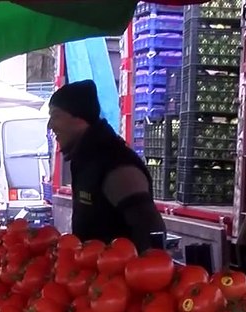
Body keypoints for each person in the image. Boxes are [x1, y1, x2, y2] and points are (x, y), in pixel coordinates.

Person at [48, 79, 166, 251]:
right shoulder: (84, 158)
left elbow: (151, 230)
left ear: (79, 117)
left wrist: (133, 272)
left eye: (56, 115)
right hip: (90, 274)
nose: (50, 125)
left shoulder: (115, 163)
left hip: (118, 275)